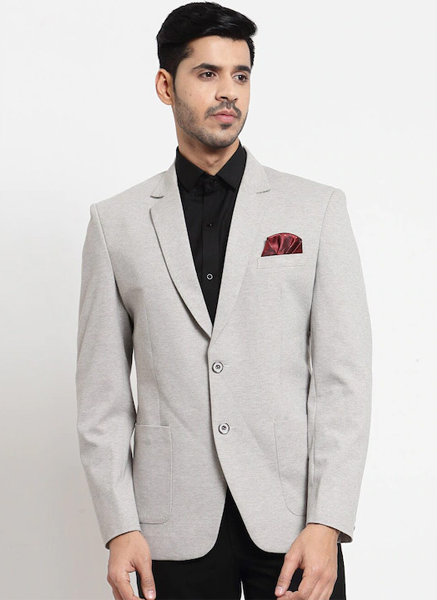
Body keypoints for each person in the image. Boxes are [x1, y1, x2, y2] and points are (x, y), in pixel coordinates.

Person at [75, 3, 372, 599]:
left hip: (294, 523)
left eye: (241, 75)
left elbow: (344, 380)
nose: (228, 91)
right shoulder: (116, 224)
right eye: (207, 74)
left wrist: (328, 521)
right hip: (170, 525)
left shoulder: (315, 210)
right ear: (166, 86)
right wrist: (120, 526)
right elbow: (102, 396)